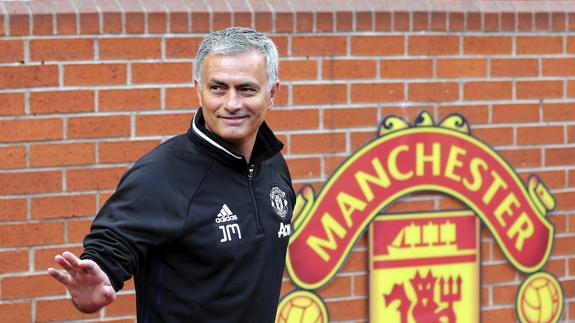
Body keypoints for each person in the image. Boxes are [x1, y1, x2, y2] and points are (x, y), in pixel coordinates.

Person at [48, 27, 295, 322]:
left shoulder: (273, 166)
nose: (231, 104)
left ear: (272, 93)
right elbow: (111, 247)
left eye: (246, 89)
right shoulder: (160, 174)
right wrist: (96, 277)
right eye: (217, 88)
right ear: (198, 90)